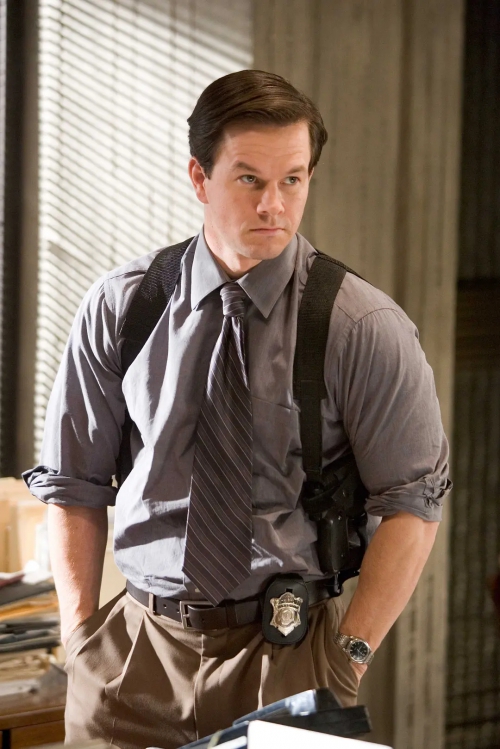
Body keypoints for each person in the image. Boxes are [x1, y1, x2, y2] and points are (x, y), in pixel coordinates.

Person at [24, 70, 451, 749]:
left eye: (293, 180)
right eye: (250, 179)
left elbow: (413, 504)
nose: (274, 205)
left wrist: (347, 658)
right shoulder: (123, 307)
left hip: (288, 657)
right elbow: (73, 483)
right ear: (200, 177)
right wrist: (81, 638)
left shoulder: (364, 327)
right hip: (134, 656)